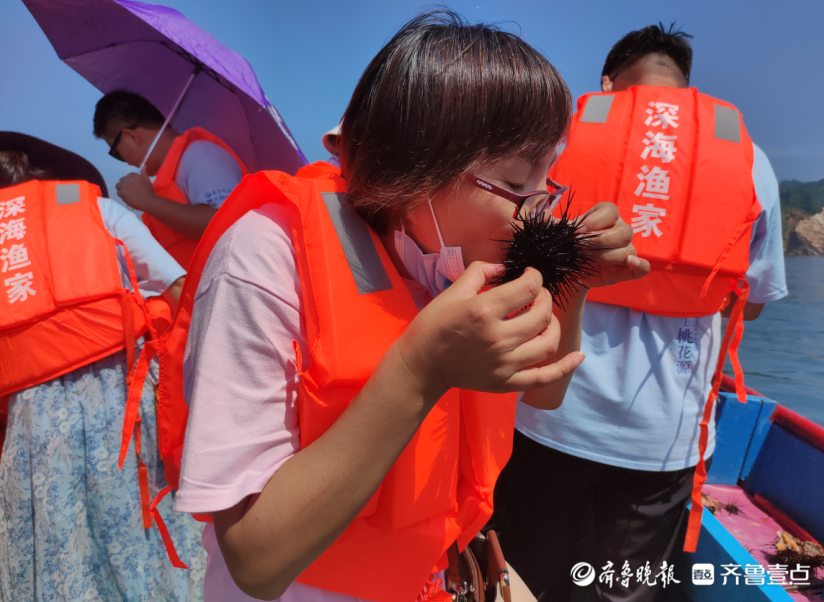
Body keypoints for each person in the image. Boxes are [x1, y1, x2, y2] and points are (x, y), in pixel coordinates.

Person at [163, 11, 650, 602]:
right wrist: (420, 372)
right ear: (415, 173)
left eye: (548, 179)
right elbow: (255, 561)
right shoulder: (263, 257)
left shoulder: (465, 260)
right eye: (518, 180)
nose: (539, 208)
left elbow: (544, 391)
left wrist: (571, 282)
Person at [487, 24, 788, 602]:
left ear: (607, 84)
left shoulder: (558, 140)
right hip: (664, 439)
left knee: (524, 578)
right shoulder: (751, 161)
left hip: (548, 415)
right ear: (687, 86)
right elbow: (749, 306)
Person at [0, 143, 206, 601]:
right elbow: (177, 286)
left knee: (57, 538)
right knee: (137, 526)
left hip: (33, 419)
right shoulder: (98, 210)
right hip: (121, 397)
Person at [93, 90, 247, 269]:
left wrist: (148, 201)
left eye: (117, 153)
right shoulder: (173, 173)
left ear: (131, 136)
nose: (127, 162)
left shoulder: (202, 155)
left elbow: (224, 224)